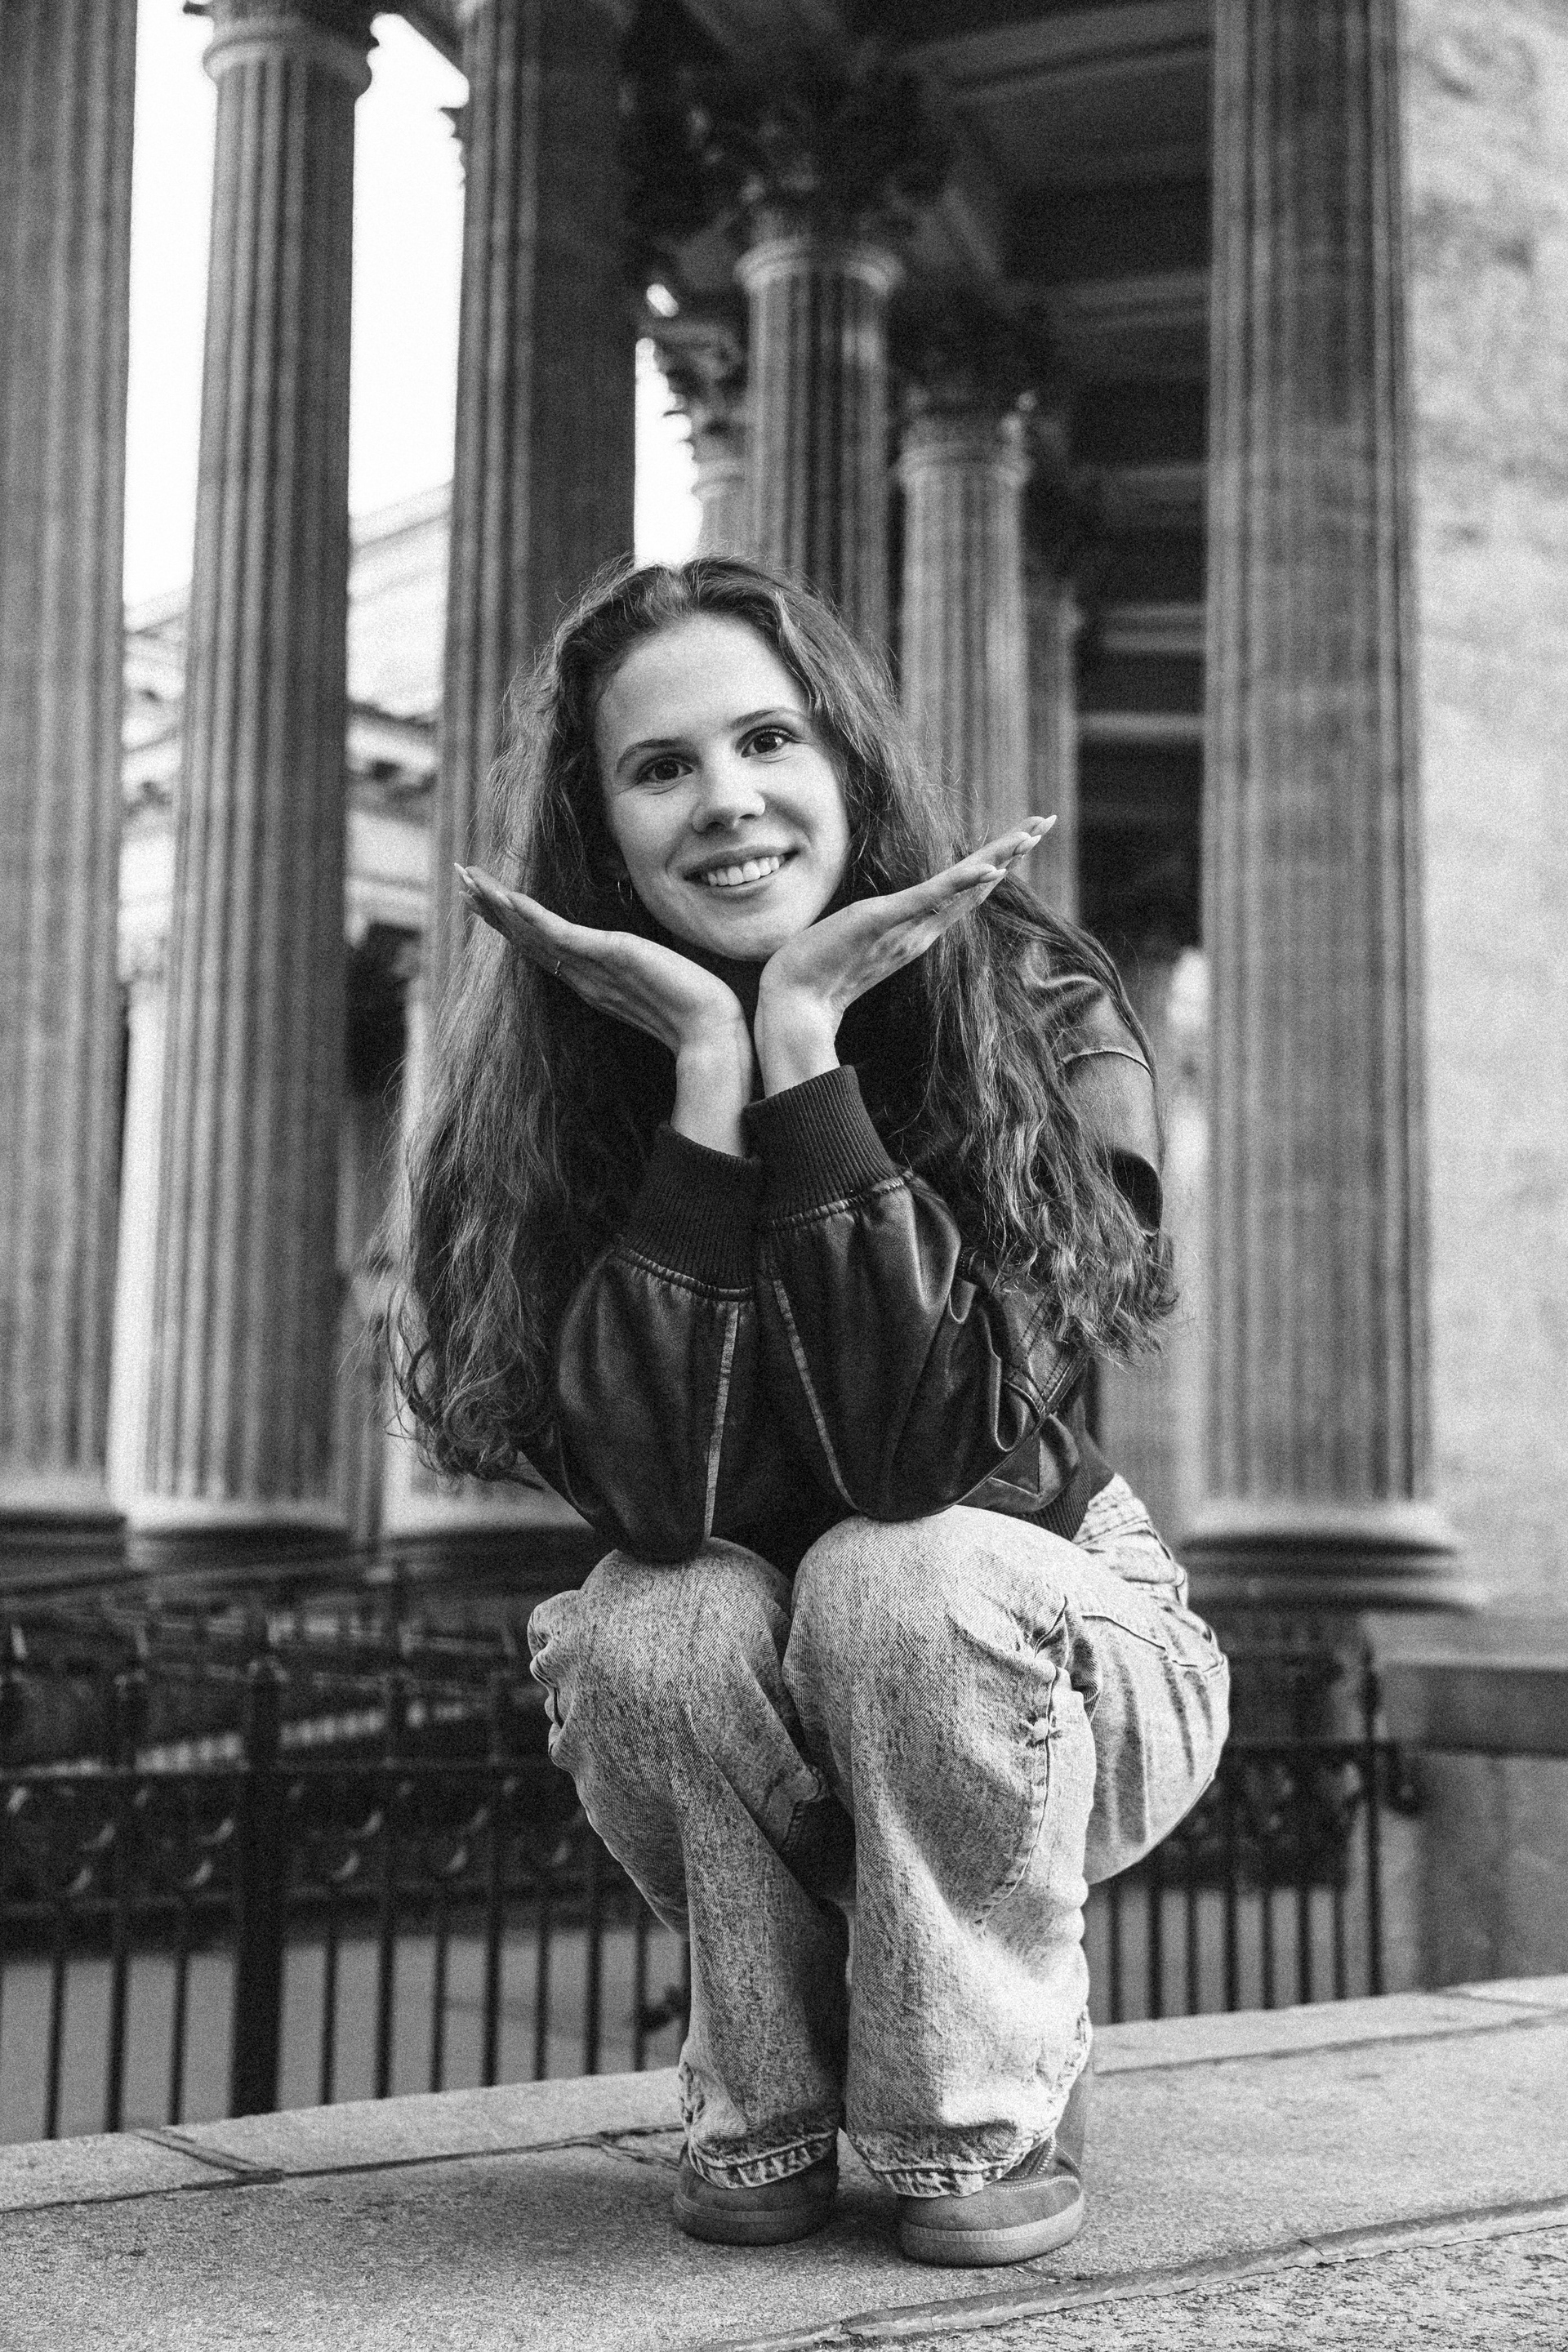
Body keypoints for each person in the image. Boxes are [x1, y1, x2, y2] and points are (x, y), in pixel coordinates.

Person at [396, 556, 1229, 2268]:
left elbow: (928, 1465)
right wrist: (709, 1080)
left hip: (1048, 1640)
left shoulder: (1041, 1010)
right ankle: (767, 2100)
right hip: (773, 1670)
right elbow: (649, 1503)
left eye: (769, 738)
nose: (727, 799)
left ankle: (975, 2109)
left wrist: (806, 1054)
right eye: (661, 766)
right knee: (654, 1615)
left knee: (892, 1574)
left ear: (848, 759)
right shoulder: (548, 1085)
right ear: (602, 828)